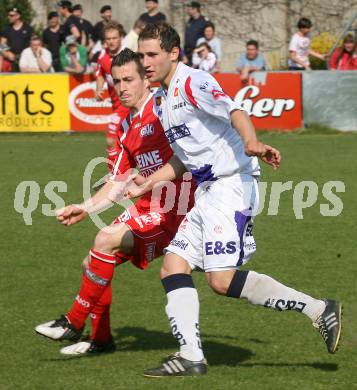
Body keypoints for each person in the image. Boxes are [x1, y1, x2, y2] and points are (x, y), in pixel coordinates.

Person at [133, 22, 342, 377]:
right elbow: (184, 157)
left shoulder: (193, 81)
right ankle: (191, 356)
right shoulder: (161, 98)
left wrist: (251, 142)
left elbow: (235, 111)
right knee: (173, 265)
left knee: (222, 280)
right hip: (207, 191)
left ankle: (318, 309)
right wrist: (147, 183)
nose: (145, 62)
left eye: (152, 54)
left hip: (230, 185)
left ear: (173, 53)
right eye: (141, 55)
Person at [34, 48, 195, 355]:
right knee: (92, 261)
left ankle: (73, 320)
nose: (122, 87)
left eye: (129, 79)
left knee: (104, 241)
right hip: (150, 207)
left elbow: (190, 151)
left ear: (146, 80)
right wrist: (84, 207)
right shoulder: (125, 125)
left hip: (178, 211)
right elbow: (116, 182)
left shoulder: (164, 108)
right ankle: (102, 338)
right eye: (117, 81)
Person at [95, 21, 129, 170]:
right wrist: (98, 89)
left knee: (110, 139)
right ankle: (118, 173)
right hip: (116, 106)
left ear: (121, 38)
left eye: (114, 38)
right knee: (126, 143)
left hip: (128, 106)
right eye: (108, 39)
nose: (111, 41)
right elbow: (100, 74)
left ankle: (113, 174)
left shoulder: (128, 55)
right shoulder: (103, 57)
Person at [0, 7, 33, 71]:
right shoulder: (6, 29)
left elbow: (34, 43)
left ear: (18, 16)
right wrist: (7, 54)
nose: (9, 17)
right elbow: (2, 45)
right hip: (11, 61)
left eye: (11, 15)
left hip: (26, 61)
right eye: (8, 15)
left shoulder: (28, 28)